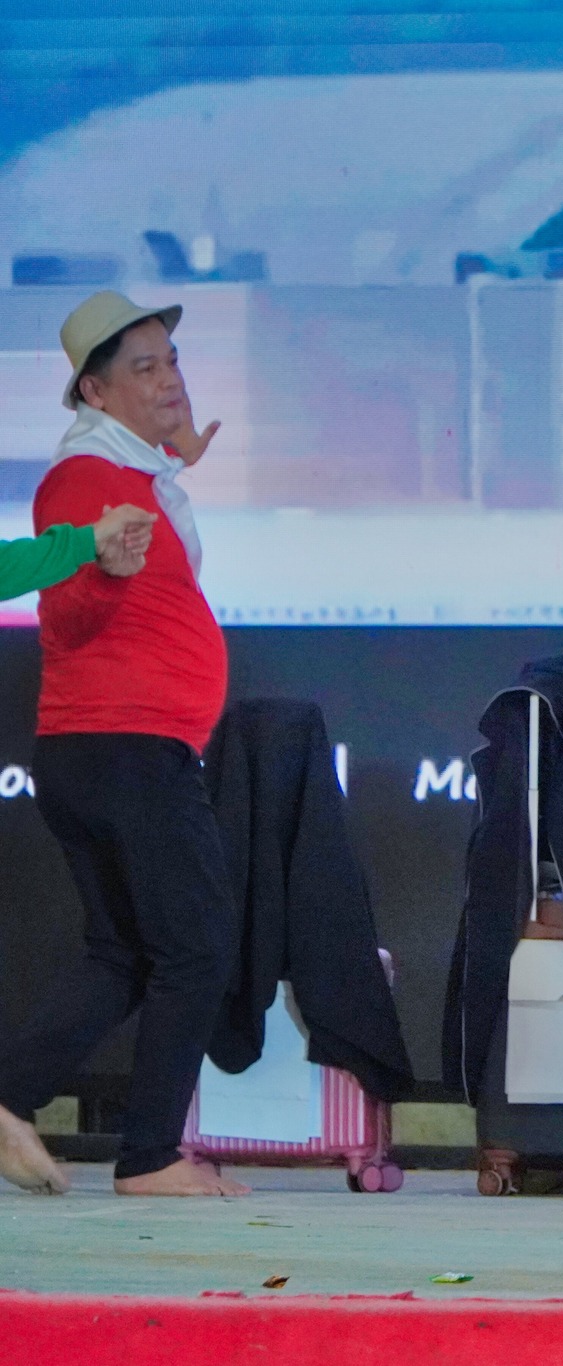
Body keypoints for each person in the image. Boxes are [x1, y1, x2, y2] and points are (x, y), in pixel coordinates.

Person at [0, 291, 240, 1199]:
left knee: (127, 953)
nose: (170, 379)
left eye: (170, 361)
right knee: (196, 945)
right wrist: (104, 567)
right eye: (143, 368)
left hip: (113, 747)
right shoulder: (85, 479)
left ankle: (10, 1099)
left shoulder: (125, 470)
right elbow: (69, 617)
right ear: (95, 394)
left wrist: (170, 458)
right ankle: (149, 1157)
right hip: (124, 746)